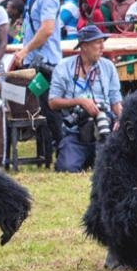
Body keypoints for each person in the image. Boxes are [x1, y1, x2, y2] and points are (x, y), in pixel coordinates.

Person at [48, 25, 122, 173]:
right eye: (98, 43)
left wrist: (121, 119)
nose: (102, 47)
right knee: (67, 167)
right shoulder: (64, 67)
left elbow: (115, 101)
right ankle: (86, 156)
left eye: (103, 42)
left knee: (116, 167)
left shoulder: (108, 67)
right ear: (84, 46)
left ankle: (97, 156)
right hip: (76, 131)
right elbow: (52, 102)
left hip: (105, 129)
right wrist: (80, 101)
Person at [13, 0, 63, 151]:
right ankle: (46, 150)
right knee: (39, 108)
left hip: (46, 64)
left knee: (49, 108)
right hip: (35, 62)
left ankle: (61, 148)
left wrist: (25, 50)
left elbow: (47, 29)